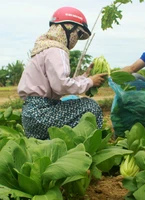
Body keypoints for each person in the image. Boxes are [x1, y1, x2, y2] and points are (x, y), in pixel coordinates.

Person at [18, 6, 107, 140]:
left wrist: (84, 77)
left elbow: (57, 81)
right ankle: (83, 149)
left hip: (30, 116)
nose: (77, 40)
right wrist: (90, 82)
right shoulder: (57, 49)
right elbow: (61, 86)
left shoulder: (44, 47)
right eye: (78, 34)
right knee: (90, 107)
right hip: (42, 114)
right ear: (68, 28)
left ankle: (52, 144)